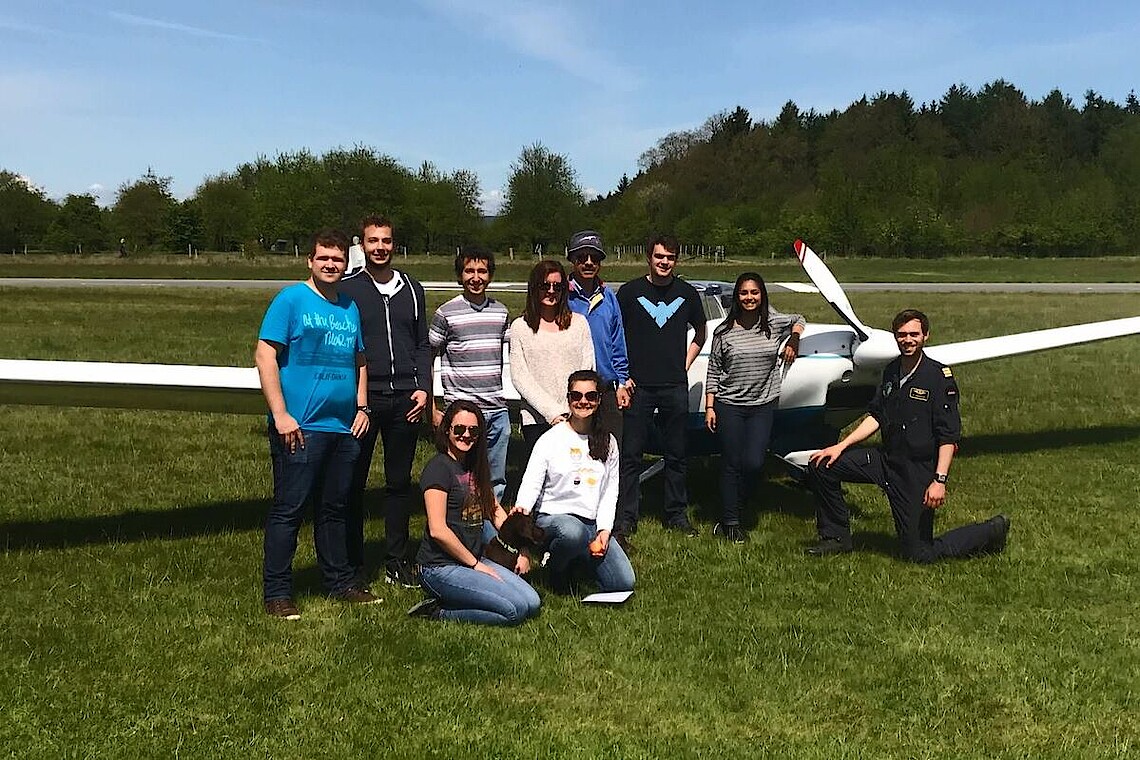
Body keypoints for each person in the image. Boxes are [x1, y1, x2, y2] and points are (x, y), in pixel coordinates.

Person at [805, 309, 1011, 562]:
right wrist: (840, 446)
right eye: (901, 335)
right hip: (886, 460)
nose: (907, 340)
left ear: (926, 336)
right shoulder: (891, 371)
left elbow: (948, 437)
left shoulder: (938, 377)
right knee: (823, 466)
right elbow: (877, 415)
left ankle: (991, 531)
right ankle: (836, 538)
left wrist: (939, 481)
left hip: (916, 470)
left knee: (919, 554)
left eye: (914, 334)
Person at [253, 229, 380, 620]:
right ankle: (277, 592)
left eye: (337, 260)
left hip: (344, 428)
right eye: (323, 258)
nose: (330, 265)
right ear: (310, 260)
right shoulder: (290, 300)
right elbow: (264, 356)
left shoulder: (348, 307)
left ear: (346, 264)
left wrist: (362, 407)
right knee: (289, 509)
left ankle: (340, 581)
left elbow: (359, 360)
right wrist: (281, 414)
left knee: (334, 510)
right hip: (301, 426)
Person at [339, 216, 431, 589]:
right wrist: (355, 399)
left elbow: (422, 342)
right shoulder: (348, 290)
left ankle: (396, 560)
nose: (380, 247)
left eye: (386, 241)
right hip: (364, 399)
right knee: (353, 483)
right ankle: (354, 563)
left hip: (405, 399)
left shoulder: (412, 288)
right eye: (372, 241)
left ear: (395, 244)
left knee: (398, 484)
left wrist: (423, 387)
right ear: (362, 245)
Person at [410, 400, 542, 625]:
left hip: (472, 559)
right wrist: (476, 565)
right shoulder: (438, 469)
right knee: (514, 611)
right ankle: (438, 612)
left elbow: (495, 511)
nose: (466, 435)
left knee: (531, 602)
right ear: (447, 430)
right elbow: (438, 530)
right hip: (440, 567)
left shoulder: (474, 467)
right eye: (459, 429)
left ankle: (464, 597)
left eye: (473, 430)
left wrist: (522, 549)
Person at [614, 234, 707, 547]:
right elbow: (615, 334)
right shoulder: (629, 293)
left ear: (676, 260)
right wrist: (622, 376)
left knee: (677, 454)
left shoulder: (687, 293)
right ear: (648, 258)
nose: (664, 262)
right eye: (659, 257)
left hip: (674, 386)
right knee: (631, 455)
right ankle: (626, 516)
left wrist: (684, 364)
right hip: (638, 385)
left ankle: (676, 514)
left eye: (670, 257)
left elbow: (701, 332)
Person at [704, 273, 805, 544]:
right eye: (744, 293)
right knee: (731, 462)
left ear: (762, 296)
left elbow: (799, 319)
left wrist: (794, 340)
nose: (750, 298)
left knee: (754, 462)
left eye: (755, 293)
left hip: (763, 403)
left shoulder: (773, 323)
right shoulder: (723, 332)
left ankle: (737, 504)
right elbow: (714, 369)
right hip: (730, 404)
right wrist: (710, 405)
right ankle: (730, 522)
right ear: (737, 297)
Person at [514, 370, 635, 595]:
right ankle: (556, 568)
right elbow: (530, 485)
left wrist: (604, 531)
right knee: (572, 533)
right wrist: (521, 528)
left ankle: (577, 562)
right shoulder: (550, 439)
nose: (583, 401)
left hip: (590, 523)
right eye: (576, 395)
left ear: (599, 400)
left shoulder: (608, 442)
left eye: (590, 396)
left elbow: (610, 492)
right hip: (552, 520)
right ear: (568, 399)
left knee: (622, 583)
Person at [429, 246, 511, 502]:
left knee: (496, 479)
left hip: (497, 409)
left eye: (482, 271)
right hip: (462, 410)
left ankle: (491, 530)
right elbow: (429, 357)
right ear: (460, 275)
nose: (476, 277)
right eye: (469, 271)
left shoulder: (501, 312)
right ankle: (463, 527)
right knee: (462, 478)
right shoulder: (446, 313)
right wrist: (432, 408)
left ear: (490, 275)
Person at [509, 259, 595, 461]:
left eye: (557, 286)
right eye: (544, 285)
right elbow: (520, 377)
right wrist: (554, 413)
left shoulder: (579, 324)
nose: (551, 291)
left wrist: (572, 411)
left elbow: (588, 368)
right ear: (534, 288)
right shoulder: (520, 327)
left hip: (577, 416)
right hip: (537, 419)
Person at [565, 230, 632, 441]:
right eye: (581, 257)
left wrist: (622, 381)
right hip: (571, 387)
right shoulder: (560, 296)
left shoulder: (609, 296)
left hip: (605, 386)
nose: (588, 263)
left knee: (610, 449)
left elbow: (617, 341)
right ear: (572, 260)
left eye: (594, 258)